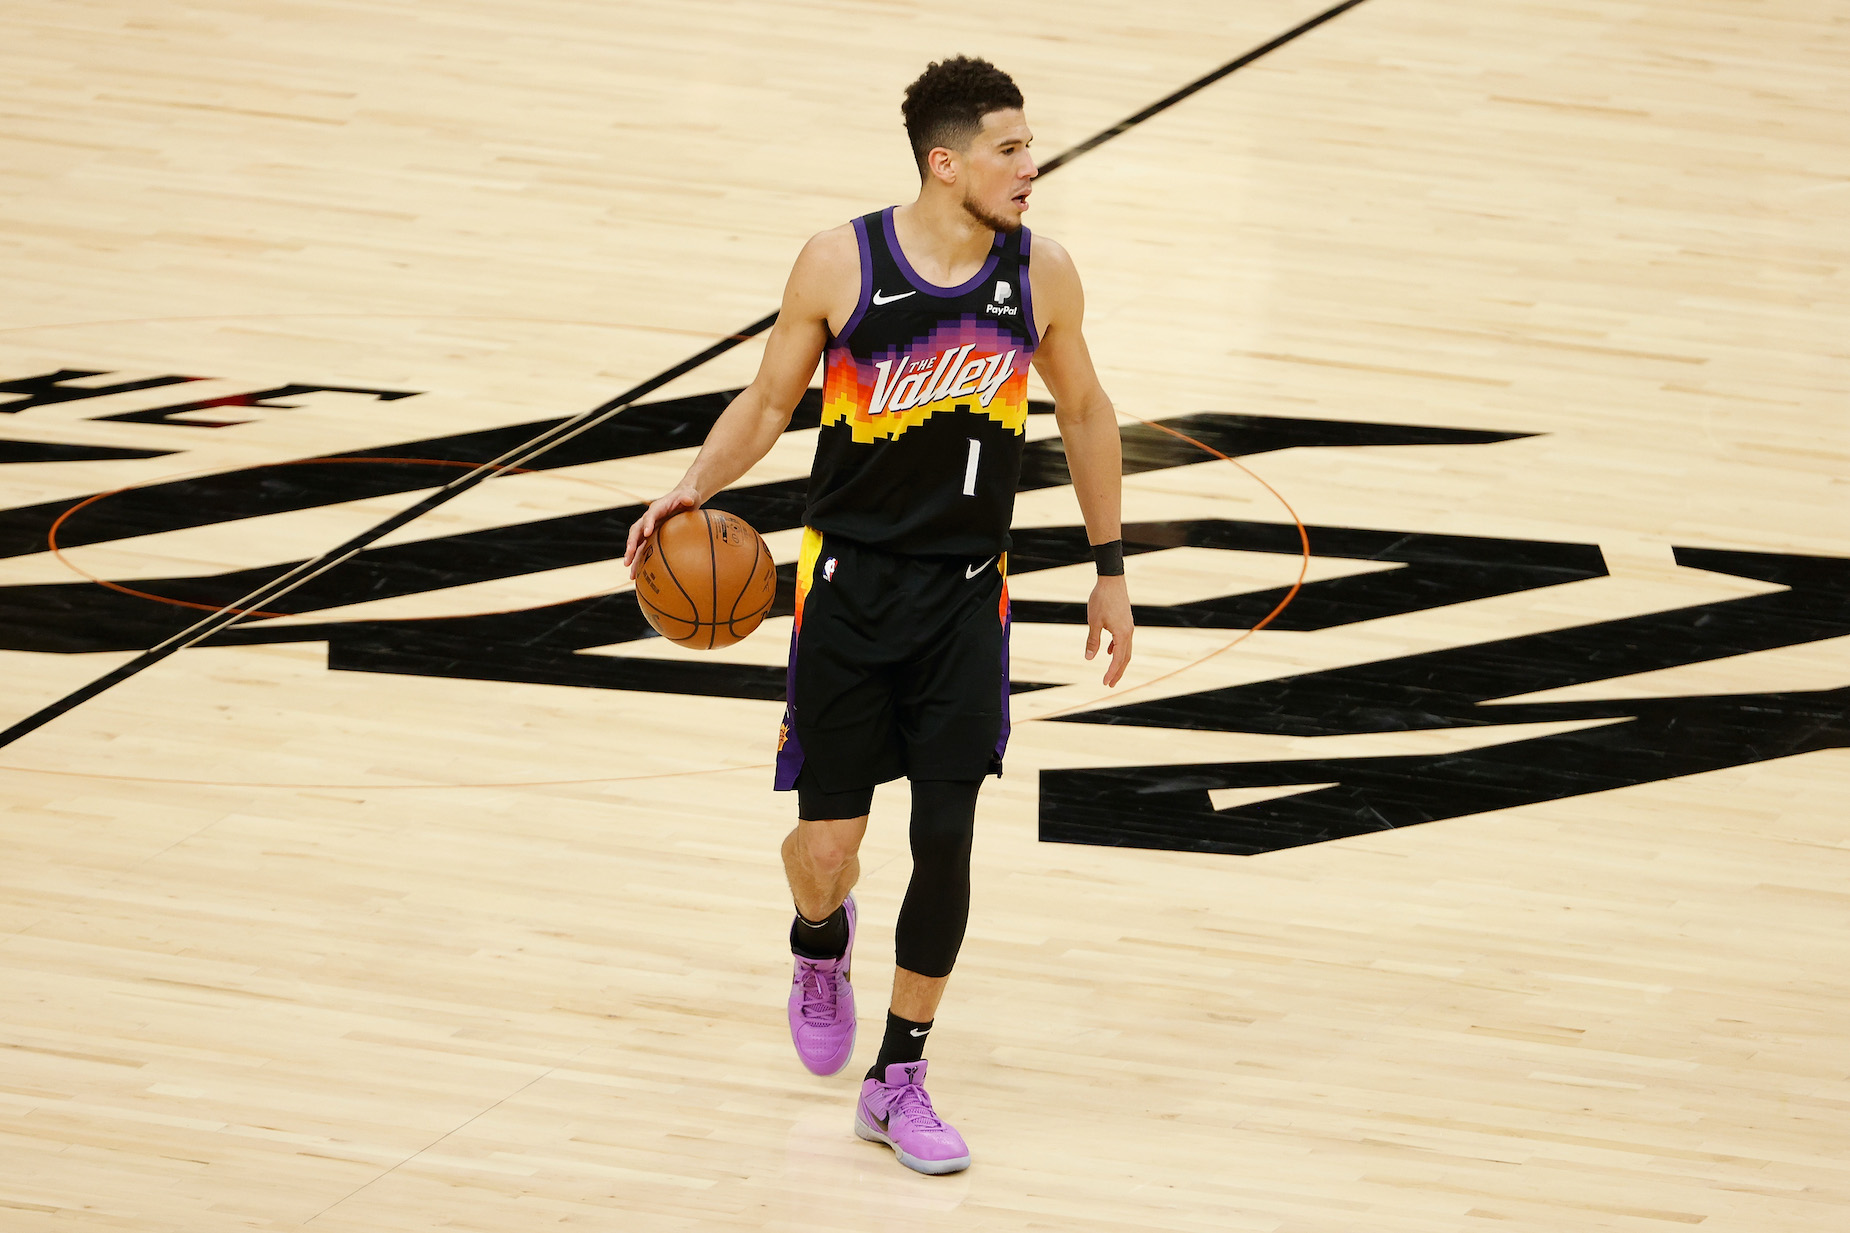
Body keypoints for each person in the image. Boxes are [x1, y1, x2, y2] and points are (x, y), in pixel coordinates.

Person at [624, 55, 1132, 1176]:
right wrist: (692, 491)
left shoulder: (1038, 275)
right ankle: (818, 941)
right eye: (1007, 149)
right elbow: (766, 400)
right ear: (942, 161)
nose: (1028, 166)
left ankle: (897, 1075)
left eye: (1028, 146)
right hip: (846, 598)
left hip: (964, 602)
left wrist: (1108, 565)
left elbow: (1088, 412)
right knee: (827, 849)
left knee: (944, 840)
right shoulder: (837, 262)